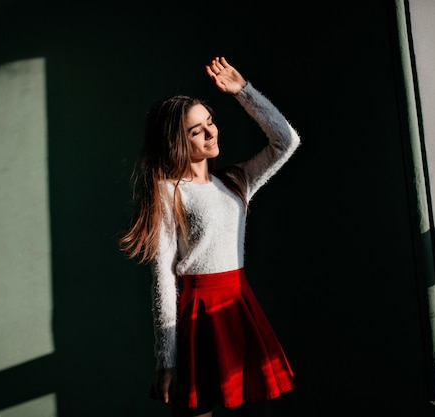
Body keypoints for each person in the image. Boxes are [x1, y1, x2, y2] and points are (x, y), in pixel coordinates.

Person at [118, 56, 300, 417]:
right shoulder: (167, 190)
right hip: (197, 311)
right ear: (176, 142)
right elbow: (163, 279)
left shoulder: (236, 181)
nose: (211, 132)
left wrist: (243, 92)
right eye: (196, 130)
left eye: (210, 121)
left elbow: (286, 140)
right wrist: (166, 358)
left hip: (238, 300)